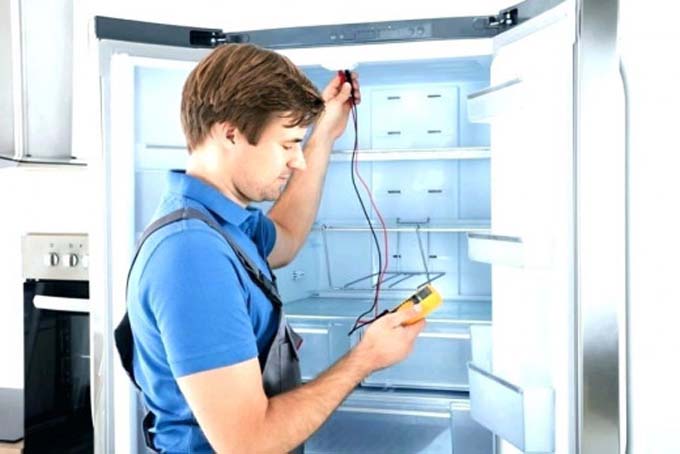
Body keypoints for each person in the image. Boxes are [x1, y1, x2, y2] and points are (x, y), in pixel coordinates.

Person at [116, 43, 425, 453]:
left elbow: (287, 235)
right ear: (230, 133)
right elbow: (248, 443)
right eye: (286, 145)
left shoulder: (221, 221)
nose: (297, 161)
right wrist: (365, 358)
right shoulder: (192, 255)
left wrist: (322, 136)